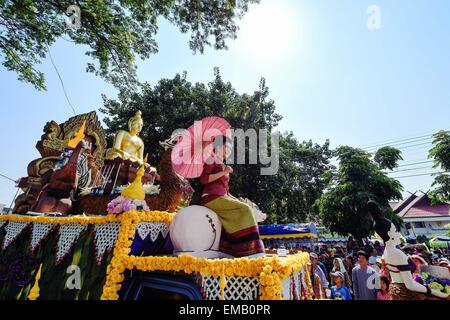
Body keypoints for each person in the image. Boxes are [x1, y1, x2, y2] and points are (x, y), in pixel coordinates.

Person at [199, 135, 265, 258]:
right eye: (226, 147)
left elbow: (225, 190)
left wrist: (235, 199)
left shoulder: (222, 164)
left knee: (245, 206)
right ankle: (251, 249)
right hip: (211, 197)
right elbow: (204, 179)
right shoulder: (211, 159)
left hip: (222, 196)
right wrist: (224, 172)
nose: (228, 150)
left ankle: (233, 249)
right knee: (245, 210)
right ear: (219, 146)